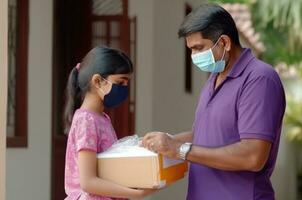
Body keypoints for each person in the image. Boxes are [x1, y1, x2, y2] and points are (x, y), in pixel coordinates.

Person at [141, 4, 286, 200]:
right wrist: (166, 142)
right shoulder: (214, 79)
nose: (194, 56)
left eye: (198, 48)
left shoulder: (259, 79)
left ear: (224, 42)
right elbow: (206, 136)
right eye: (190, 50)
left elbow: (253, 156)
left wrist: (179, 149)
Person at [63, 46, 155, 200]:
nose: (125, 88)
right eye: (120, 82)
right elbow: (88, 182)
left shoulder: (101, 118)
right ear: (98, 81)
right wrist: (135, 193)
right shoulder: (86, 120)